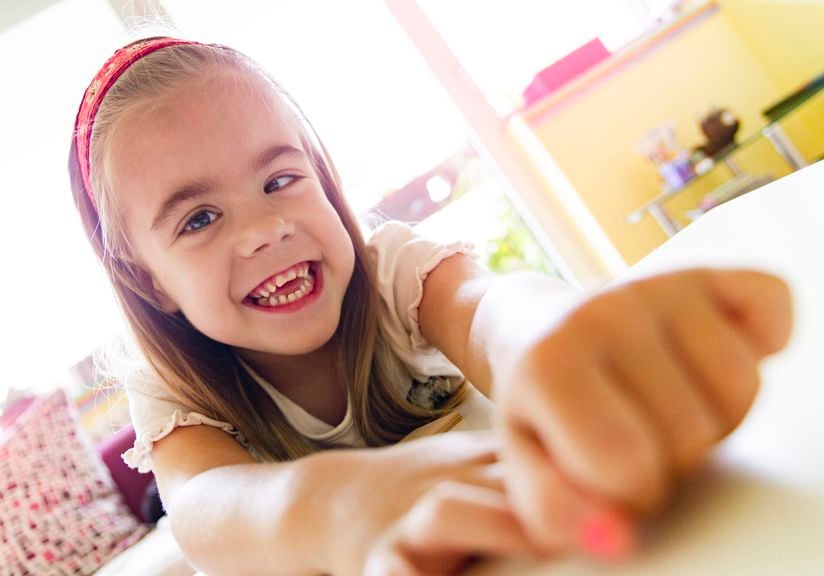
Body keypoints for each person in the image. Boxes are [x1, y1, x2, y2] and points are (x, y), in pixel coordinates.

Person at [68, 37, 793, 576]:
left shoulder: (392, 271)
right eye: (198, 219)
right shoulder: (170, 394)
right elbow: (204, 510)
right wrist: (332, 505)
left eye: (281, 179)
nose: (267, 229)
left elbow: (490, 309)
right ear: (149, 281)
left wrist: (550, 340)